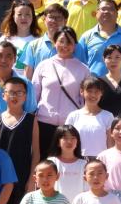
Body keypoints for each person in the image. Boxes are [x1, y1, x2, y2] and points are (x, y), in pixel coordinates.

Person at [32, 26, 92, 158]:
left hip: (70, 125)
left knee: (67, 160)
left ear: (75, 45)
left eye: (69, 42)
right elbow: (34, 95)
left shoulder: (83, 69)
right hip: (44, 123)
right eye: (61, 41)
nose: (65, 45)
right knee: (43, 160)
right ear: (54, 43)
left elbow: (85, 100)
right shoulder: (43, 66)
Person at [20, 4, 88, 82]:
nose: (54, 21)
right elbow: (28, 77)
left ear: (65, 21)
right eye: (51, 17)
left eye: (58, 18)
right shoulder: (33, 45)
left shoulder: (76, 46)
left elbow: (83, 74)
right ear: (44, 19)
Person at [81, 0, 121, 78]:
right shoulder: (86, 36)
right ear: (97, 13)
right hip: (94, 84)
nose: (106, 12)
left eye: (111, 9)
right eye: (103, 9)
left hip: (120, 84)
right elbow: (79, 62)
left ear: (117, 14)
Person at [65, 76, 114, 159]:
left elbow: (111, 144)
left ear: (101, 93)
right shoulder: (73, 116)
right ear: (82, 92)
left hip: (101, 161)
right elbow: (67, 141)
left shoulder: (108, 116)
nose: (93, 95)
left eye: (96, 91)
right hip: (78, 160)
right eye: (89, 91)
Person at [0, 0, 41, 76]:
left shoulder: (39, 41)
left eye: (27, 14)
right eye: (19, 14)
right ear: (13, 16)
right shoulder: (5, 39)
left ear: (33, 17)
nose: (23, 18)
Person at [48, 125, 88, 200]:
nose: (69, 141)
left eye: (73, 138)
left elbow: (87, 189)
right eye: (65, 138)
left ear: (77, 142)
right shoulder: (51, 162)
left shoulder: (84, 164)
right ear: (58, 142)